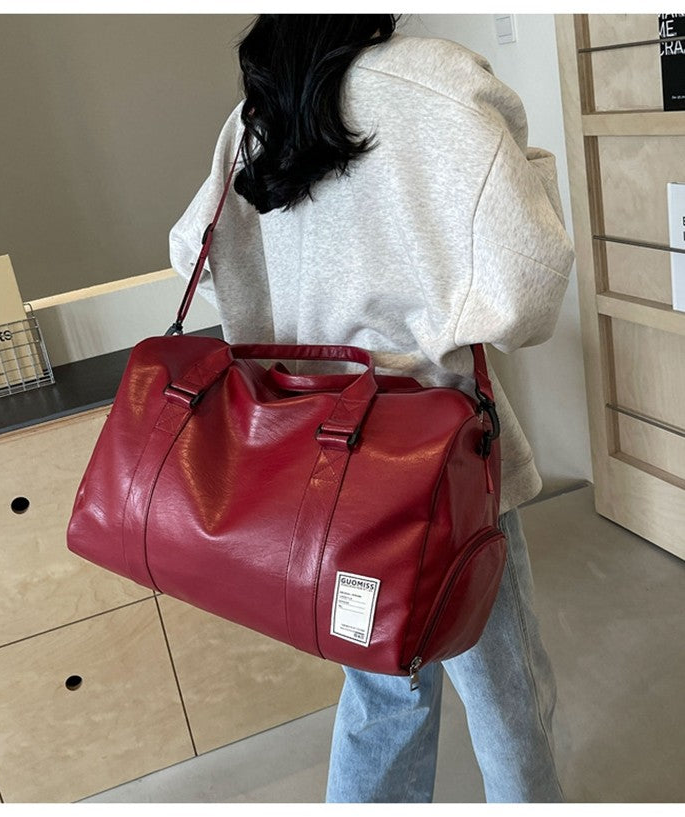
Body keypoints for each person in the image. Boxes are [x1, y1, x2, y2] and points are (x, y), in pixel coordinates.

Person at [168, 14, 575, 803]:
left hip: (316, 457)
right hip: (436, 456)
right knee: (507, 691)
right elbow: (527, 284)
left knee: (383, 692)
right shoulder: (439, 80)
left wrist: (296, 311)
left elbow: (193, 254)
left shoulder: (262, 107)